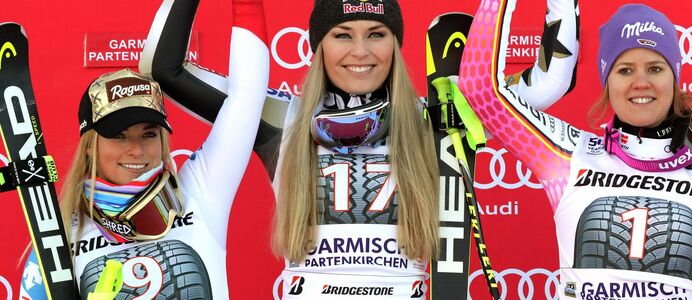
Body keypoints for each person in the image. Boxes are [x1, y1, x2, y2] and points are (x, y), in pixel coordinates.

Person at [459, 0, 692, 299]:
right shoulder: (568, 154)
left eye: (655, 68)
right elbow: (480, 89)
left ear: (675, 77)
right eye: (624, 69)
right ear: (607, 80)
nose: (640, 81)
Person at [138, 0, 440, 298]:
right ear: (319, 45)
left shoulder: (433, 121)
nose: (360, 51)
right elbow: (164, 69)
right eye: (342, 34)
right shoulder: (284, 118)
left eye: (376, 34)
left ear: (395, 44)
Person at [18, 1, 269, 298]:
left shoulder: (199, 193)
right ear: (90, 146)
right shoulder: (59, 238)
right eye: (119, 136)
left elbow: (246, 96)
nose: (136, 150)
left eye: (149, 134)